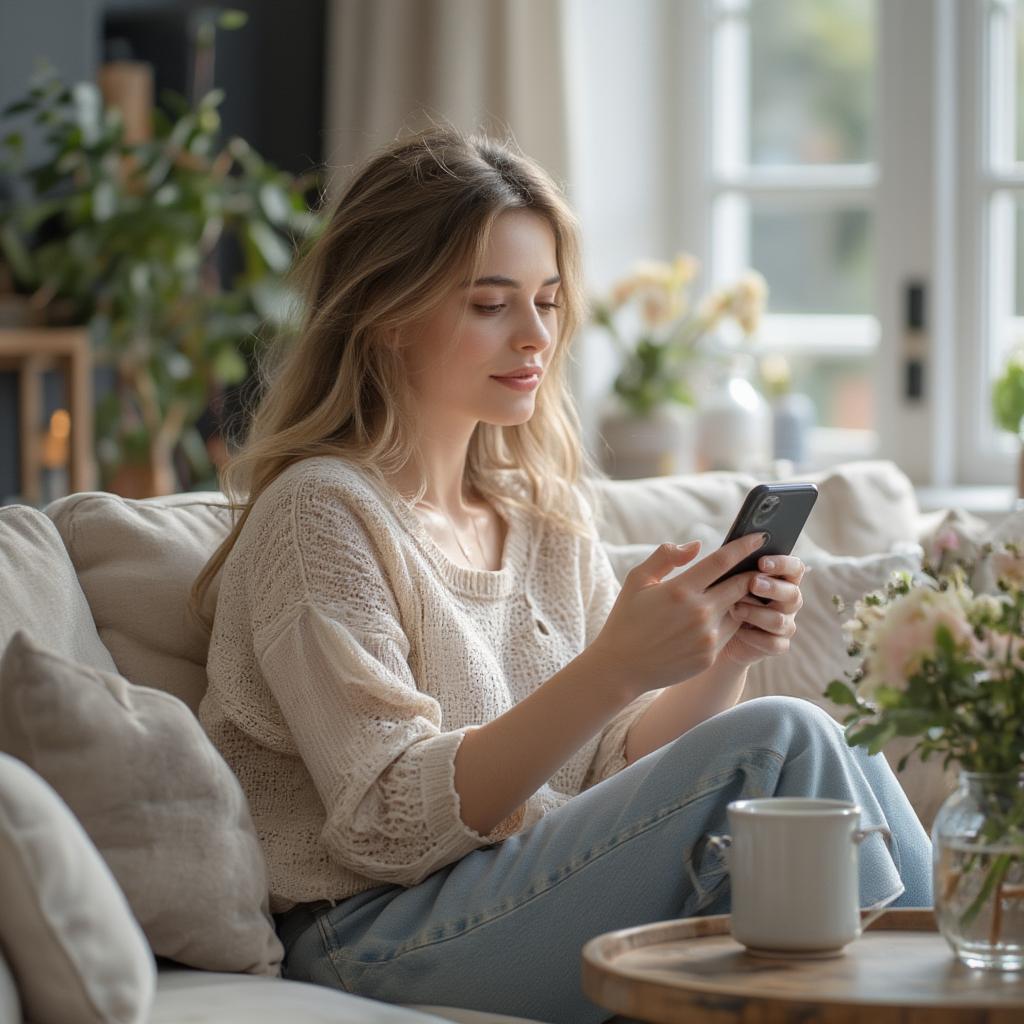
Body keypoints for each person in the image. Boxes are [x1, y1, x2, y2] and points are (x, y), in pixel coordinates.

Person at [191, 126, 932, 1024]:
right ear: (388, 316)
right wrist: (612, 666)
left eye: (546, 300)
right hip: (372, 931)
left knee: (825, 736)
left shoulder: (542, 518)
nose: (536, 334)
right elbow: (385, 822)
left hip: (523, 890)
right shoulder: (321, 515)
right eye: (491, 304)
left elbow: (605, 773)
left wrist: (723, 654)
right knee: (782, 739)